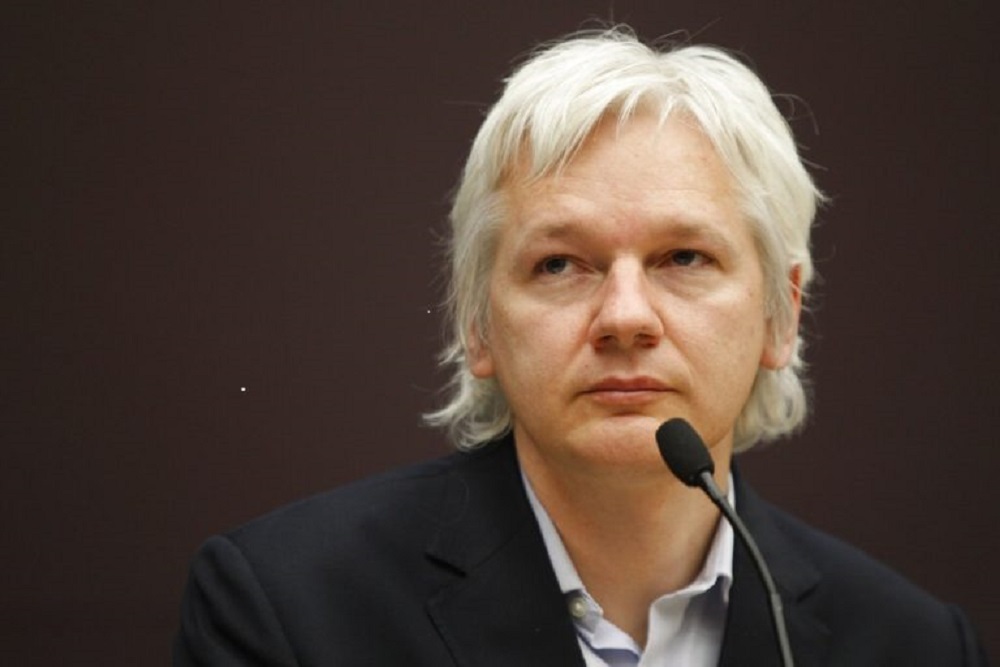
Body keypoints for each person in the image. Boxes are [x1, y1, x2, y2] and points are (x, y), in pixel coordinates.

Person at [174, 27, 988, 666]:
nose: (625, 317)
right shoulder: (288, 610)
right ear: (477, 322)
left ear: (782, 313)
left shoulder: (913, 645)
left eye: (683, 257)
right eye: (560, 264)